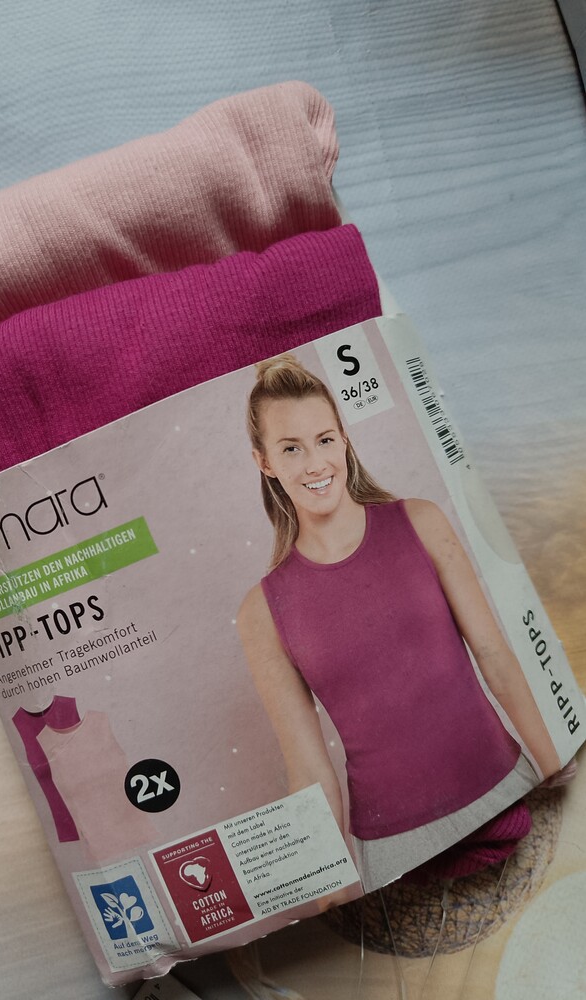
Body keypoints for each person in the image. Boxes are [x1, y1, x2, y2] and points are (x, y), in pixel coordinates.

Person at [236, 353, 561, 889]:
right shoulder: (262, 612)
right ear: (264, 462)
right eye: (291, 448)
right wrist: (335, 896)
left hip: (505, 788)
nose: (315, 463)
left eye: (324, 439)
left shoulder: (421, 522)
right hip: (392, 849)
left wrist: (555, 771)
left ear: (344, 439)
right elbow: (309, 772)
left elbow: (495, 658)